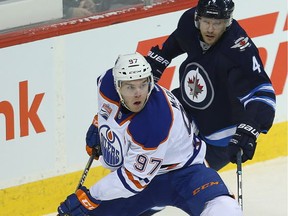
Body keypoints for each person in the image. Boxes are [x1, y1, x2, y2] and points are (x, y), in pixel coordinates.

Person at [57, 52, 242, 216]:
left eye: (143, 85)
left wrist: (90, 197)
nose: (138, 93)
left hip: (185, 173)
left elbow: (132, 180)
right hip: (145, 179)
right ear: (117, 86)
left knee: (224, 209)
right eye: (130, 87)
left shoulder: (155, 120)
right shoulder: (105, 84)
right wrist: (100, 126)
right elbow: (106, 111)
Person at [145, 0, 276, 171]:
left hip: (220, 133)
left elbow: (261, 93)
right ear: (197, 18)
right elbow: (177, 41)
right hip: (187, 106)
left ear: (227, 23)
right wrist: (159, 60)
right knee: (151, 114)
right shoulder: (189, 22)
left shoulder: (238, 50)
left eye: (217, 23)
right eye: (206, 22)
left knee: (187, 180)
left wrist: (250, 129)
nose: (210, 29)